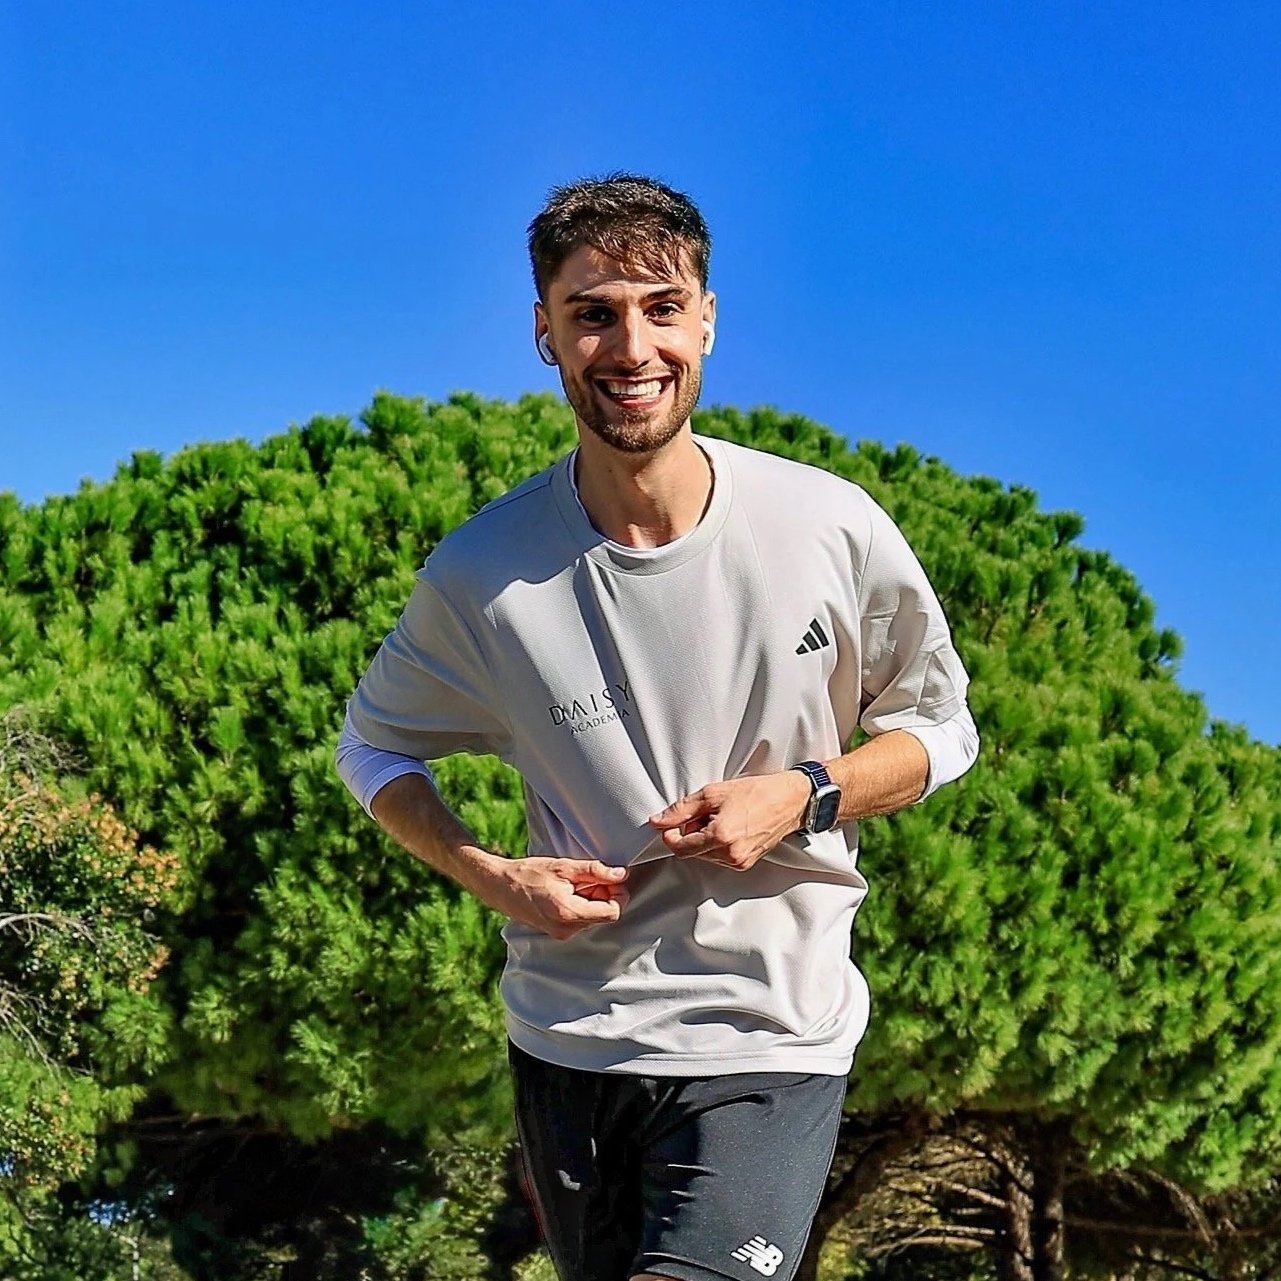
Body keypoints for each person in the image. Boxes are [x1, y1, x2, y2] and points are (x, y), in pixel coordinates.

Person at [336, 173, 979, 1281]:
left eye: (660, 306)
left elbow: (940, 730)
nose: (630, 345)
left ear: (708, 321)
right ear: (546, 333)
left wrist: (805, 793)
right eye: (592, 313)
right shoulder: (485, 573)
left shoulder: (828, 527)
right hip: (567, 1040)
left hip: (768, 1035)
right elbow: (373, 747)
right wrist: (490, 874)